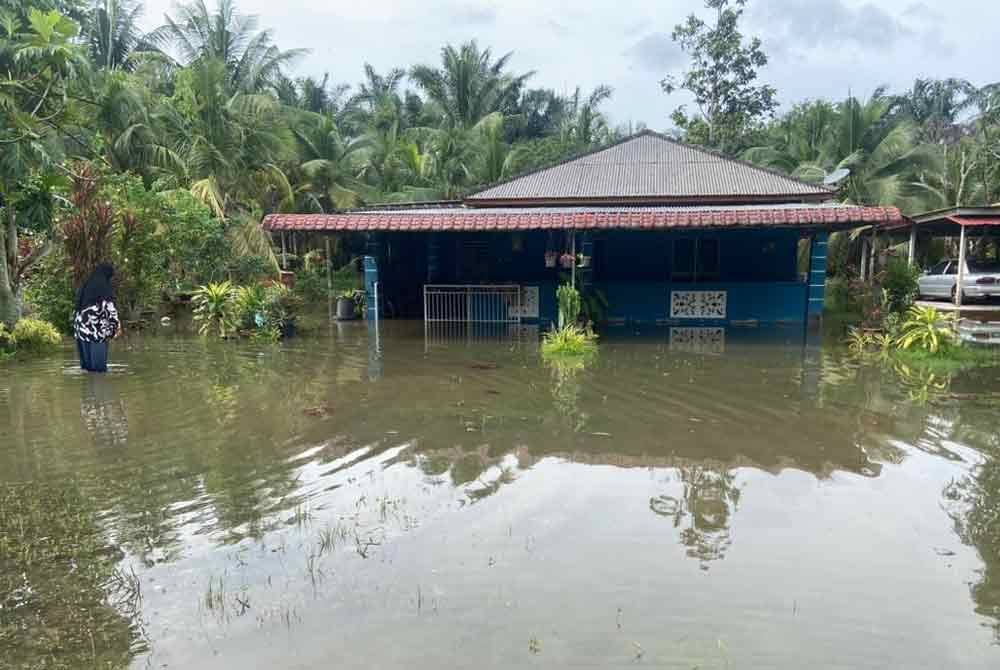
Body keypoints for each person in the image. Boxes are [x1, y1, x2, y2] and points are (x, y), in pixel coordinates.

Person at [73, 263, 120, 373]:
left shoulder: (86, 285)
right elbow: (110, 310)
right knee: (99, 371)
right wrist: (116, 327)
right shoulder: (103, 287)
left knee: (87, 369)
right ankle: (99, 388)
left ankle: (88, 389)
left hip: (81, 330)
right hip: (96, 331)